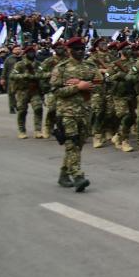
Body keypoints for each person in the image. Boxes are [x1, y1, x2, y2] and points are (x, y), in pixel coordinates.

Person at [50, 37, 97, 191]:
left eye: (82, 49)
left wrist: (88, 86)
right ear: (70, 51)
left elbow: (98, 83)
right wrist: (78, 87)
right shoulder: (61, 68)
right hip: (66, 112)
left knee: (78, 145)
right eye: (77, 49)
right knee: (71, 143)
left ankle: (63, 174)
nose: (80, 52)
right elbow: (56, 91)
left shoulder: (89, 66)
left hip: (84, 111)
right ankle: (78, 176)